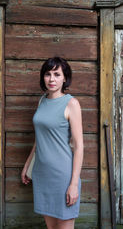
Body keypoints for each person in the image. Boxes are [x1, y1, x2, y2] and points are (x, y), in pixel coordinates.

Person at [21, 57, 84, 229]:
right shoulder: (42, 101)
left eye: (57, 74)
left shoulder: (71, 103)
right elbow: (40, 138)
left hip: (63, 176)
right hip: (43, 174)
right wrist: (28, 165)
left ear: (65, 78)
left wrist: (73, 184)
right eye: (48, 74)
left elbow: (79, 147)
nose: (52, 79)